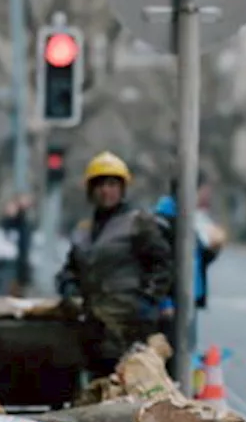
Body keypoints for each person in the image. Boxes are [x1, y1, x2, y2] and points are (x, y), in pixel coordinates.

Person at [56, 151, 172, 376]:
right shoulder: (83, 231)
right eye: (99, 185)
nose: (105, 191)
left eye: (112, 184)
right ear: (90, 191)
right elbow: (70, 269)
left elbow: (162, 265)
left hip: (130, 327)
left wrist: (146, 302)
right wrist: (68, 288)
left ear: (122, 189)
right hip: (93, 327)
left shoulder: (139, 224)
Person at [154, 174, 227, 361]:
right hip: (172, 306)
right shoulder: (165, 221)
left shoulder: (187, 219)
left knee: (186, 356)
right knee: (174, 359)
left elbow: (196, 258)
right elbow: (156, 265)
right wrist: (165, 303)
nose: (206, 197)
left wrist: (214, 249)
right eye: (203, 191)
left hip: (188, 301)